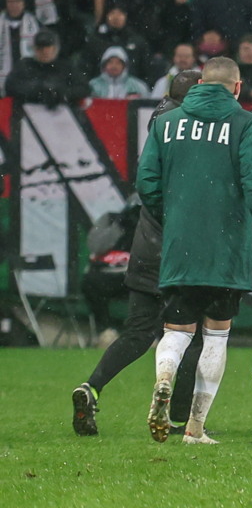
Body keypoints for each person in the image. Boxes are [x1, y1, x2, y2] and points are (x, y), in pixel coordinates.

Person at [135, 57, 252, 444]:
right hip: (226, 246)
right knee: (216, 336)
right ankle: (195, 427)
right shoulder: (245, 123)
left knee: (177, 330)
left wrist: (175, 214)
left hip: (181, 244)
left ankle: (164, 378)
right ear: (237, 87)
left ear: (200, 83)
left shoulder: (166, 123)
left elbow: (145, 180)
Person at [70, 71, 205, 437]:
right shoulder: (189, 132)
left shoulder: (158, 125)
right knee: (193, 336)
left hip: (146, 247)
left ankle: (91, 387)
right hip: (180, 249)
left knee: (137, 334)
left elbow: (145, 187)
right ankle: (177, 417)